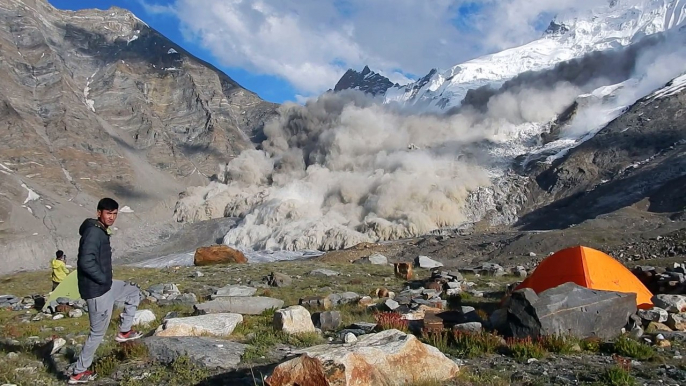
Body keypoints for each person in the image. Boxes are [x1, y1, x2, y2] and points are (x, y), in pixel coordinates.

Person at [69, 198, 142, 385]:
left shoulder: (99, 230)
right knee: (97, 334)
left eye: (115, 213)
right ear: (98, 213)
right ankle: (78, 372)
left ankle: (124, 331)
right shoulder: (94, 233)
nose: (112, 217)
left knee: (132, 291)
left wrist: (106, 281)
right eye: (108, 213)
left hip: (105, 286)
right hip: (97, 291)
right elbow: (85, 262)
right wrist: (102, 279)